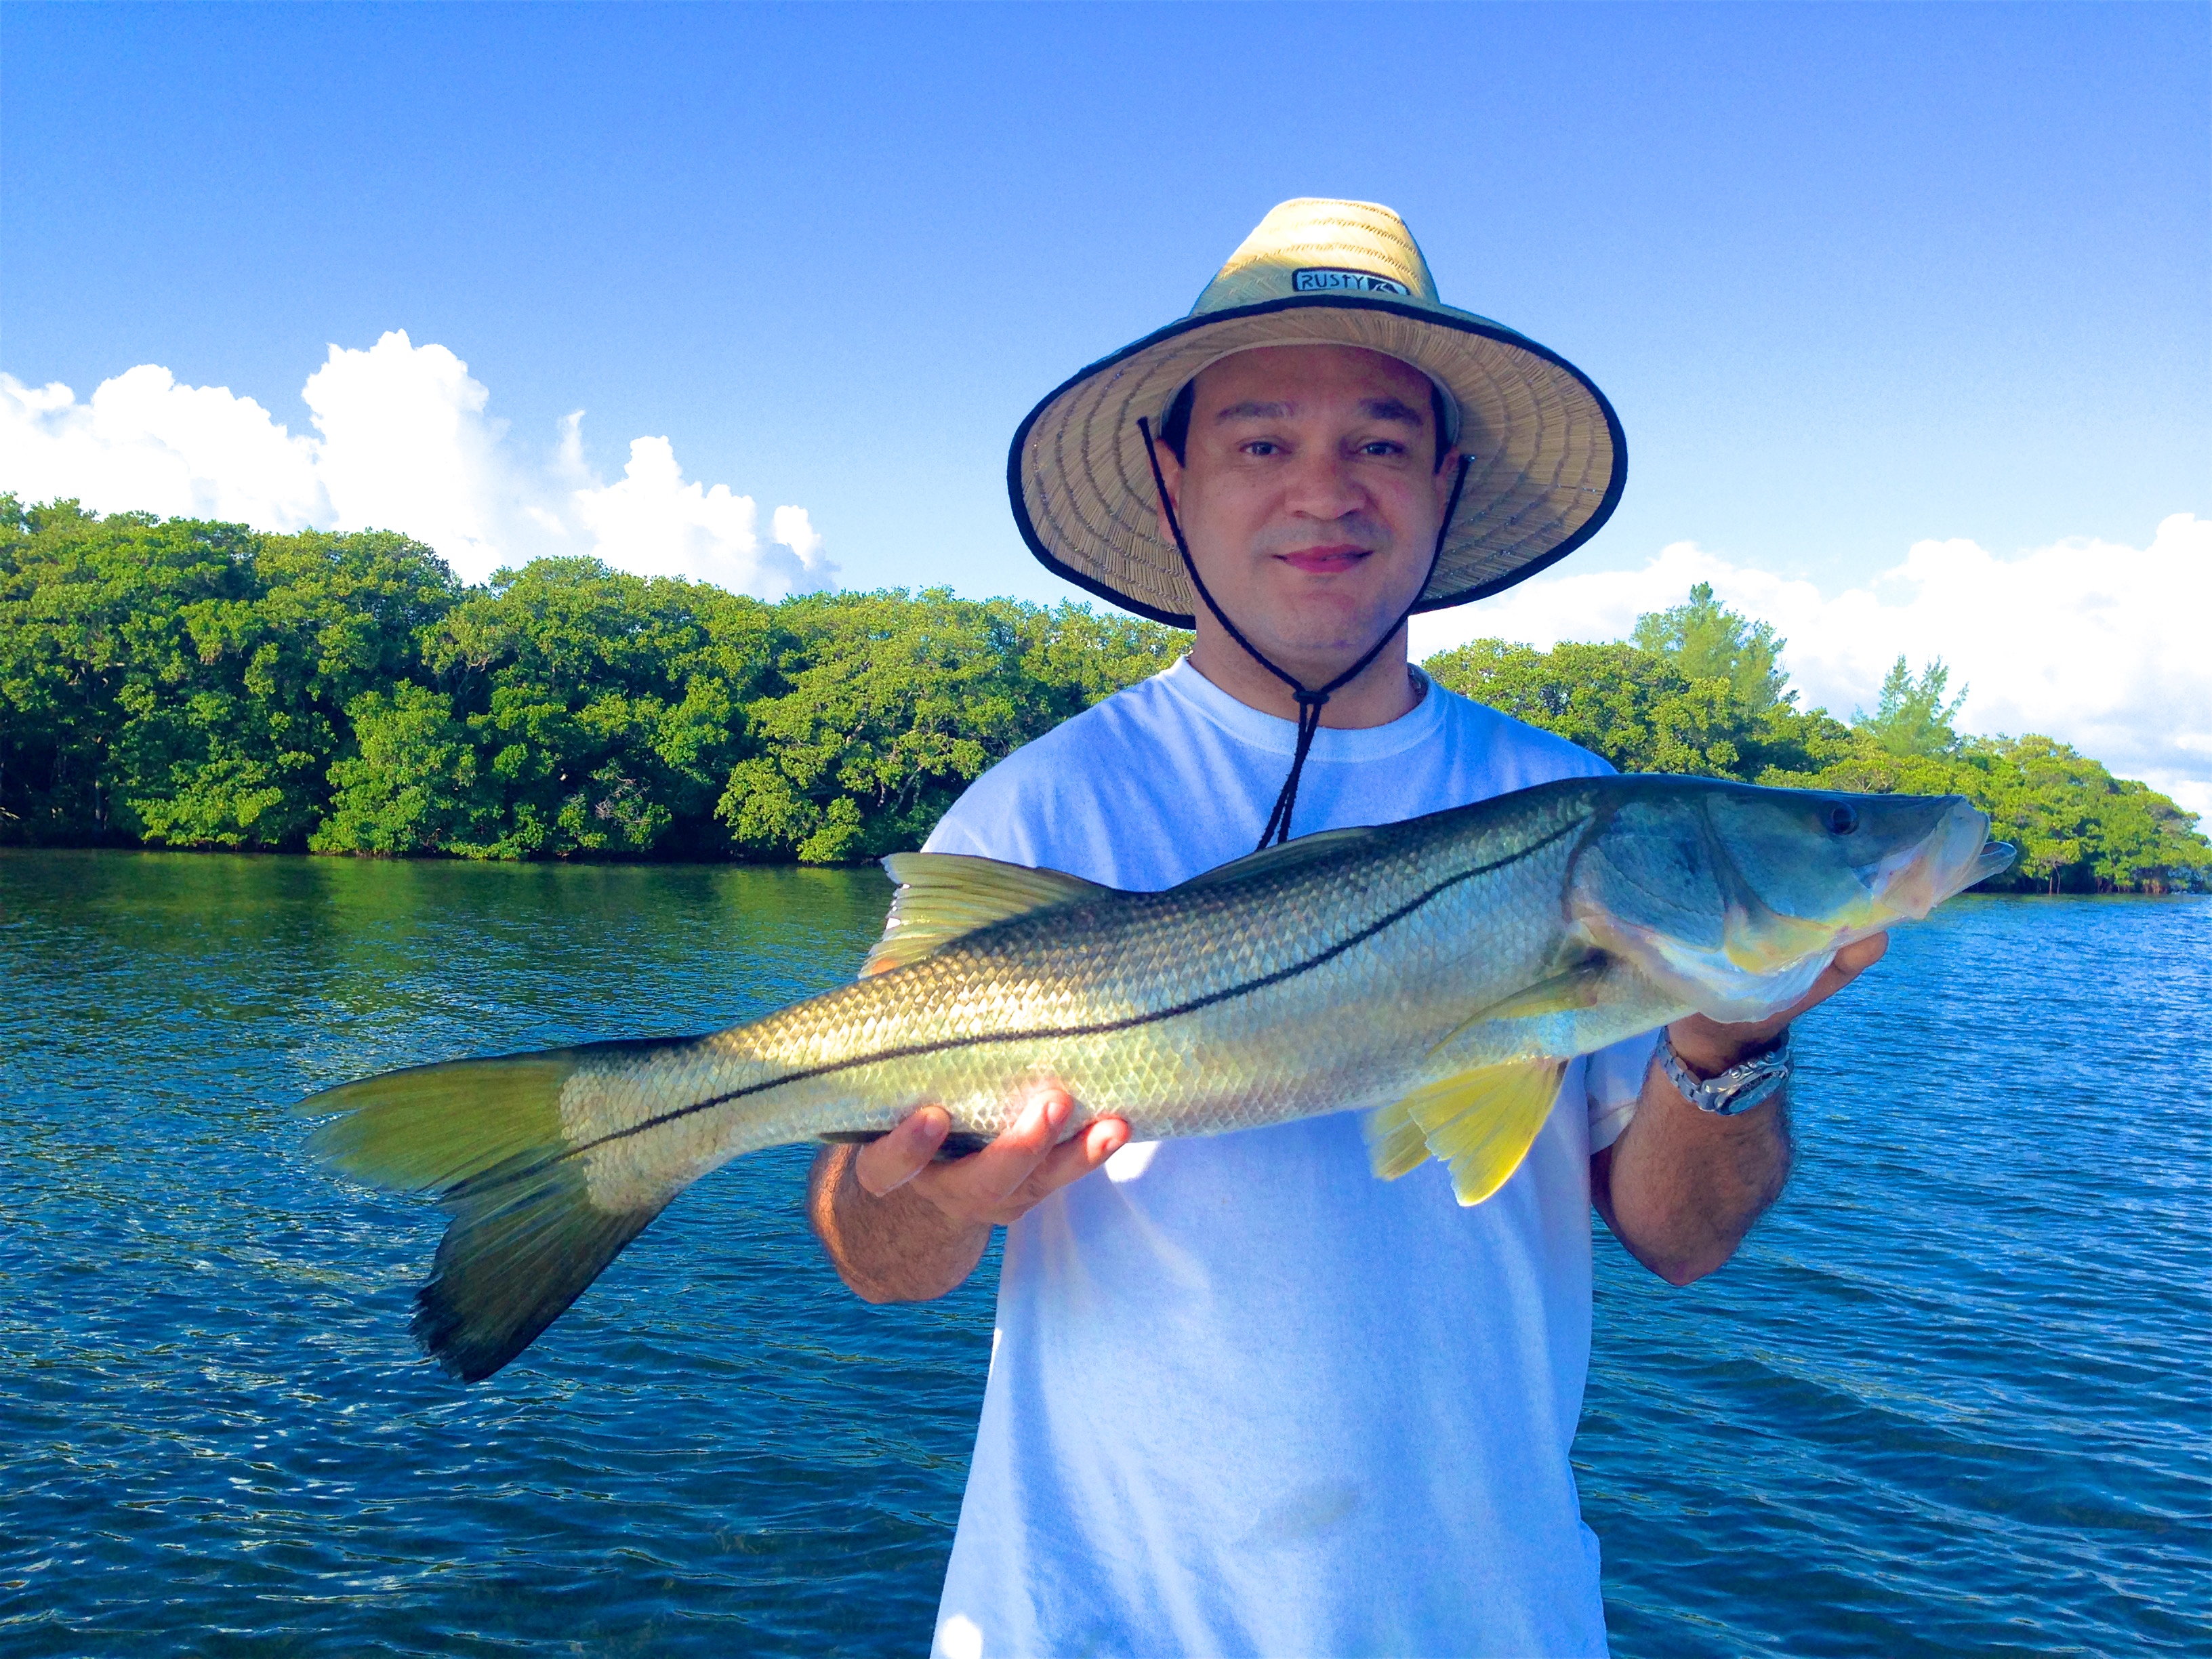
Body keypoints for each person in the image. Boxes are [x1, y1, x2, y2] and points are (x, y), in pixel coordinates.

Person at [807, 199, 1886, 1658]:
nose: (1326, 491)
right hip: (1093, 1621)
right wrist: (938, 1201)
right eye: (1263, 442)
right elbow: (870, 1249)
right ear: (1171, 473)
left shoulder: (1577, 807)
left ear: (1443, 482)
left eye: (1379, 442)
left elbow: (1682, 1242)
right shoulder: (1036, 808)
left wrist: (1732, 1035)